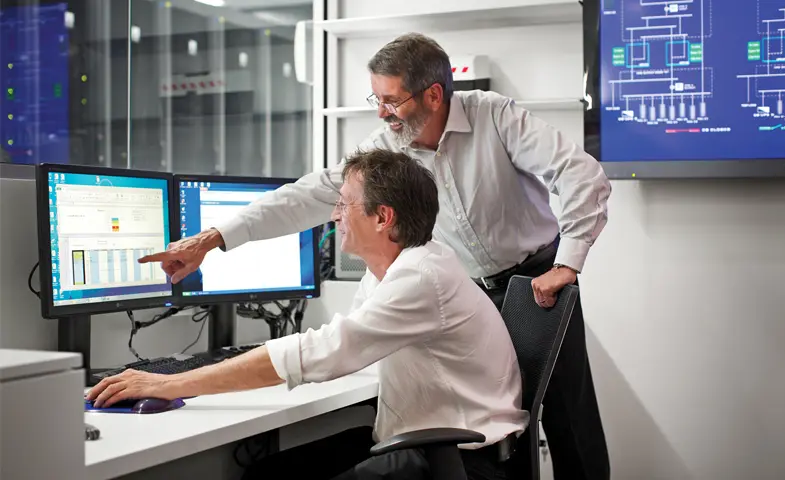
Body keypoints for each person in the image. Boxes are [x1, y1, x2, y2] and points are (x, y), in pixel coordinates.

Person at [137, 33, 612, 479]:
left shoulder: (495, 116)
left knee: (571, 421)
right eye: (377, 99)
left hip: (536, 280)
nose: (382, 113)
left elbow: (580, 175)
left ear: (433, 94)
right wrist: (216, 236)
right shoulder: (388, 149)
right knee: (490, 409)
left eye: (391, 100)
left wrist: (566, 264)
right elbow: (308, 195)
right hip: (467, 287)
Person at [87, 149, 529, 480]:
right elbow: (338, 347)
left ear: (383, 218)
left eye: (345, 204)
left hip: (456, 461)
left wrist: (170, 382)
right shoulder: (399, 267)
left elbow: (321, 353)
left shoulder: (419, 278)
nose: (334, 215)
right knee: (266, 472)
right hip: (433, 442)